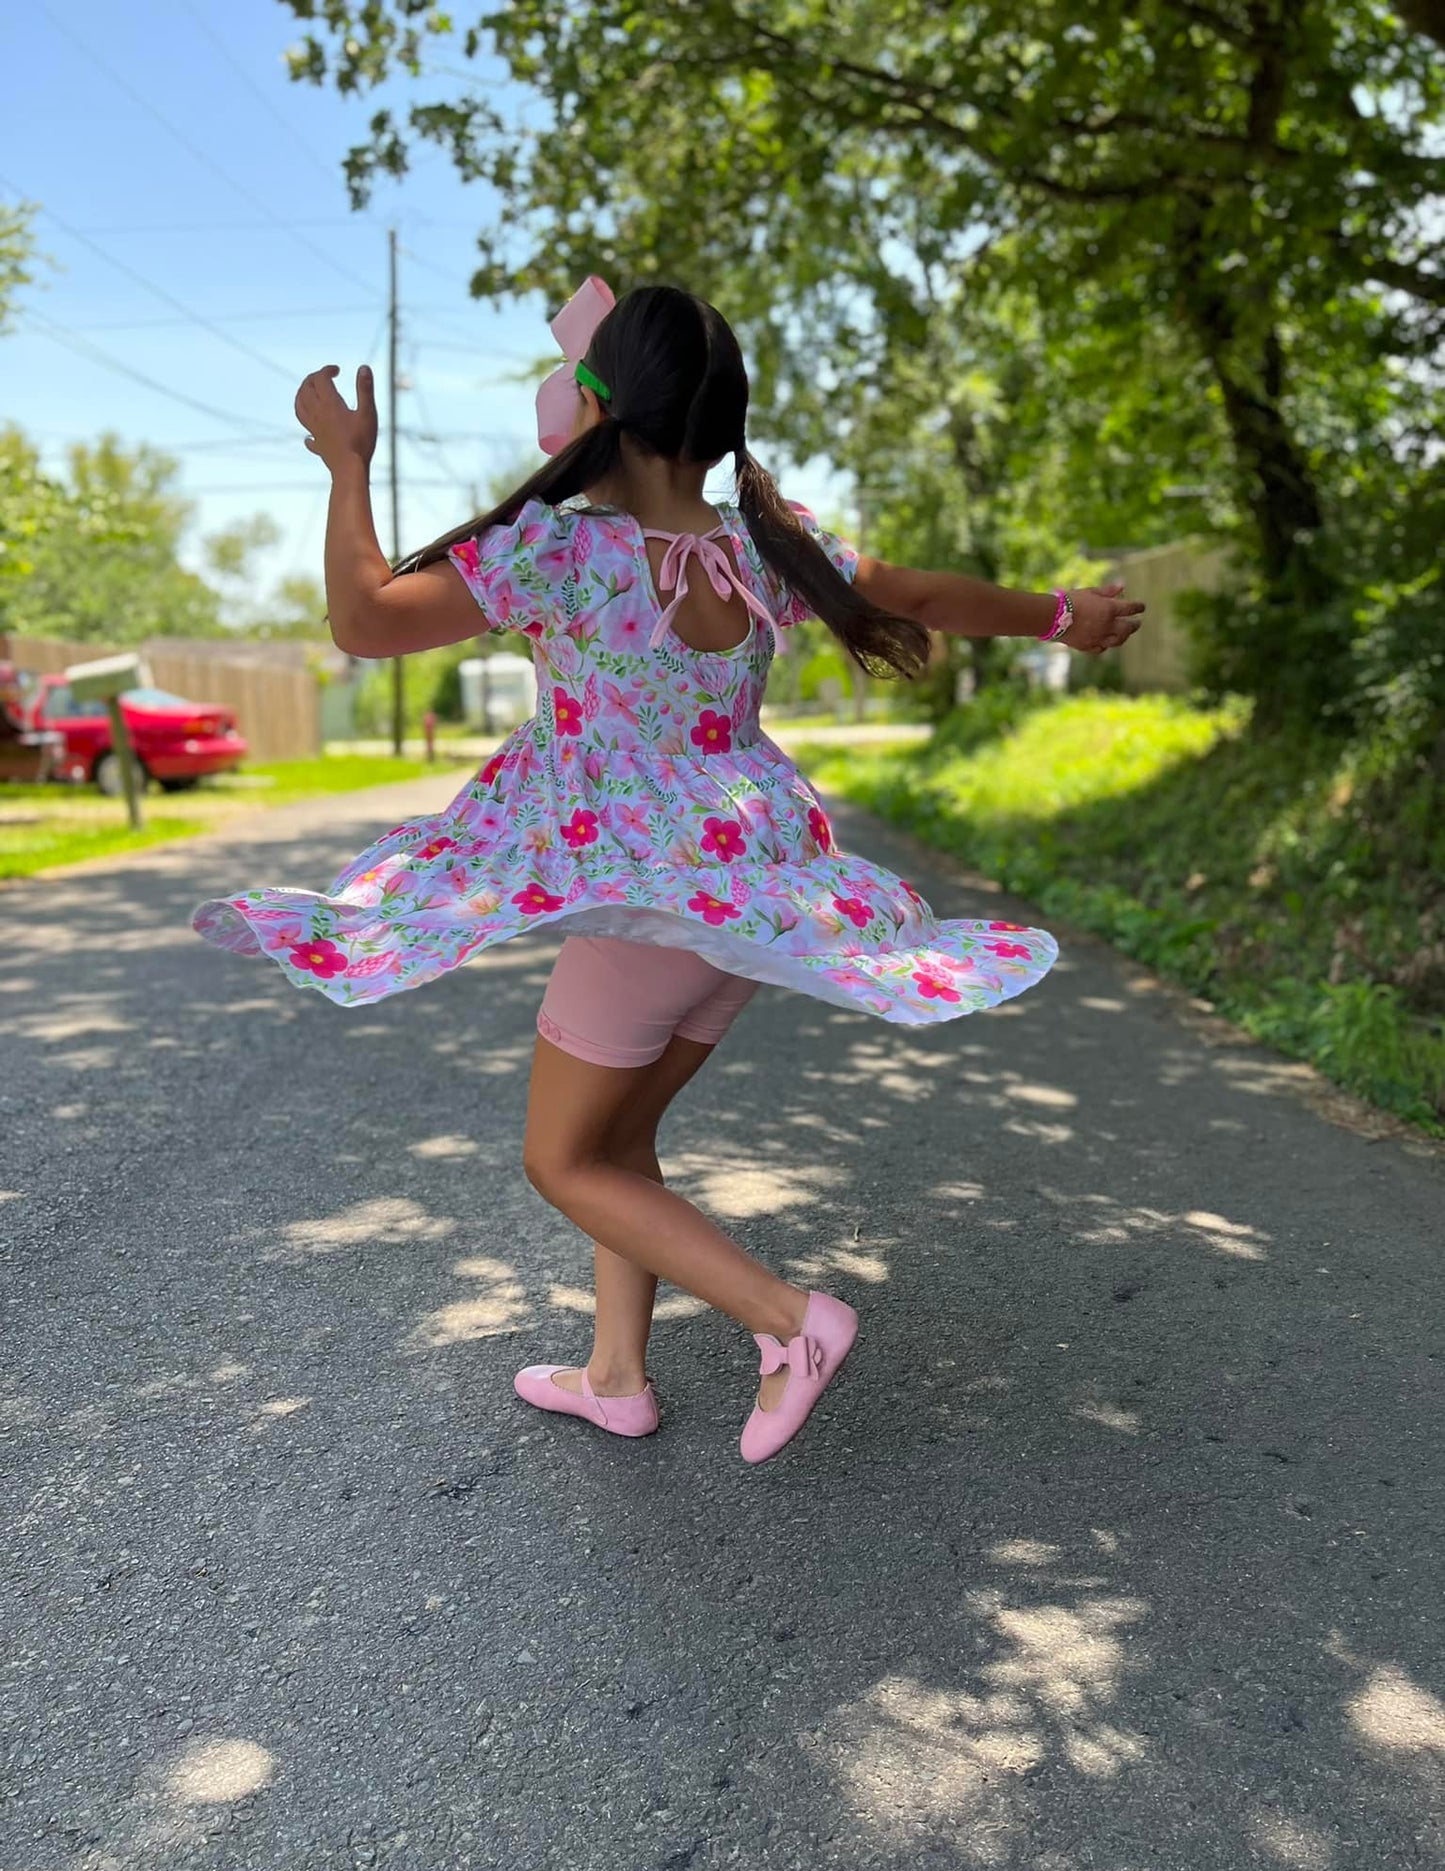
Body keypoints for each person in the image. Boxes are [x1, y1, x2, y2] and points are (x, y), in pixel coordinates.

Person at [192, 284, 1140, 1464]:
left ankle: (788, 1326)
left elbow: (365, 622)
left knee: (562, 1159)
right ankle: (613, 1375)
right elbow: (920, 594)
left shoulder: (560, 551)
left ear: (597, 408)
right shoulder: (764, 542)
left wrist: (346, 463)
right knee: (620, 1145)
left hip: (645, 907)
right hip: (754, 902)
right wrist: (1064, 615)